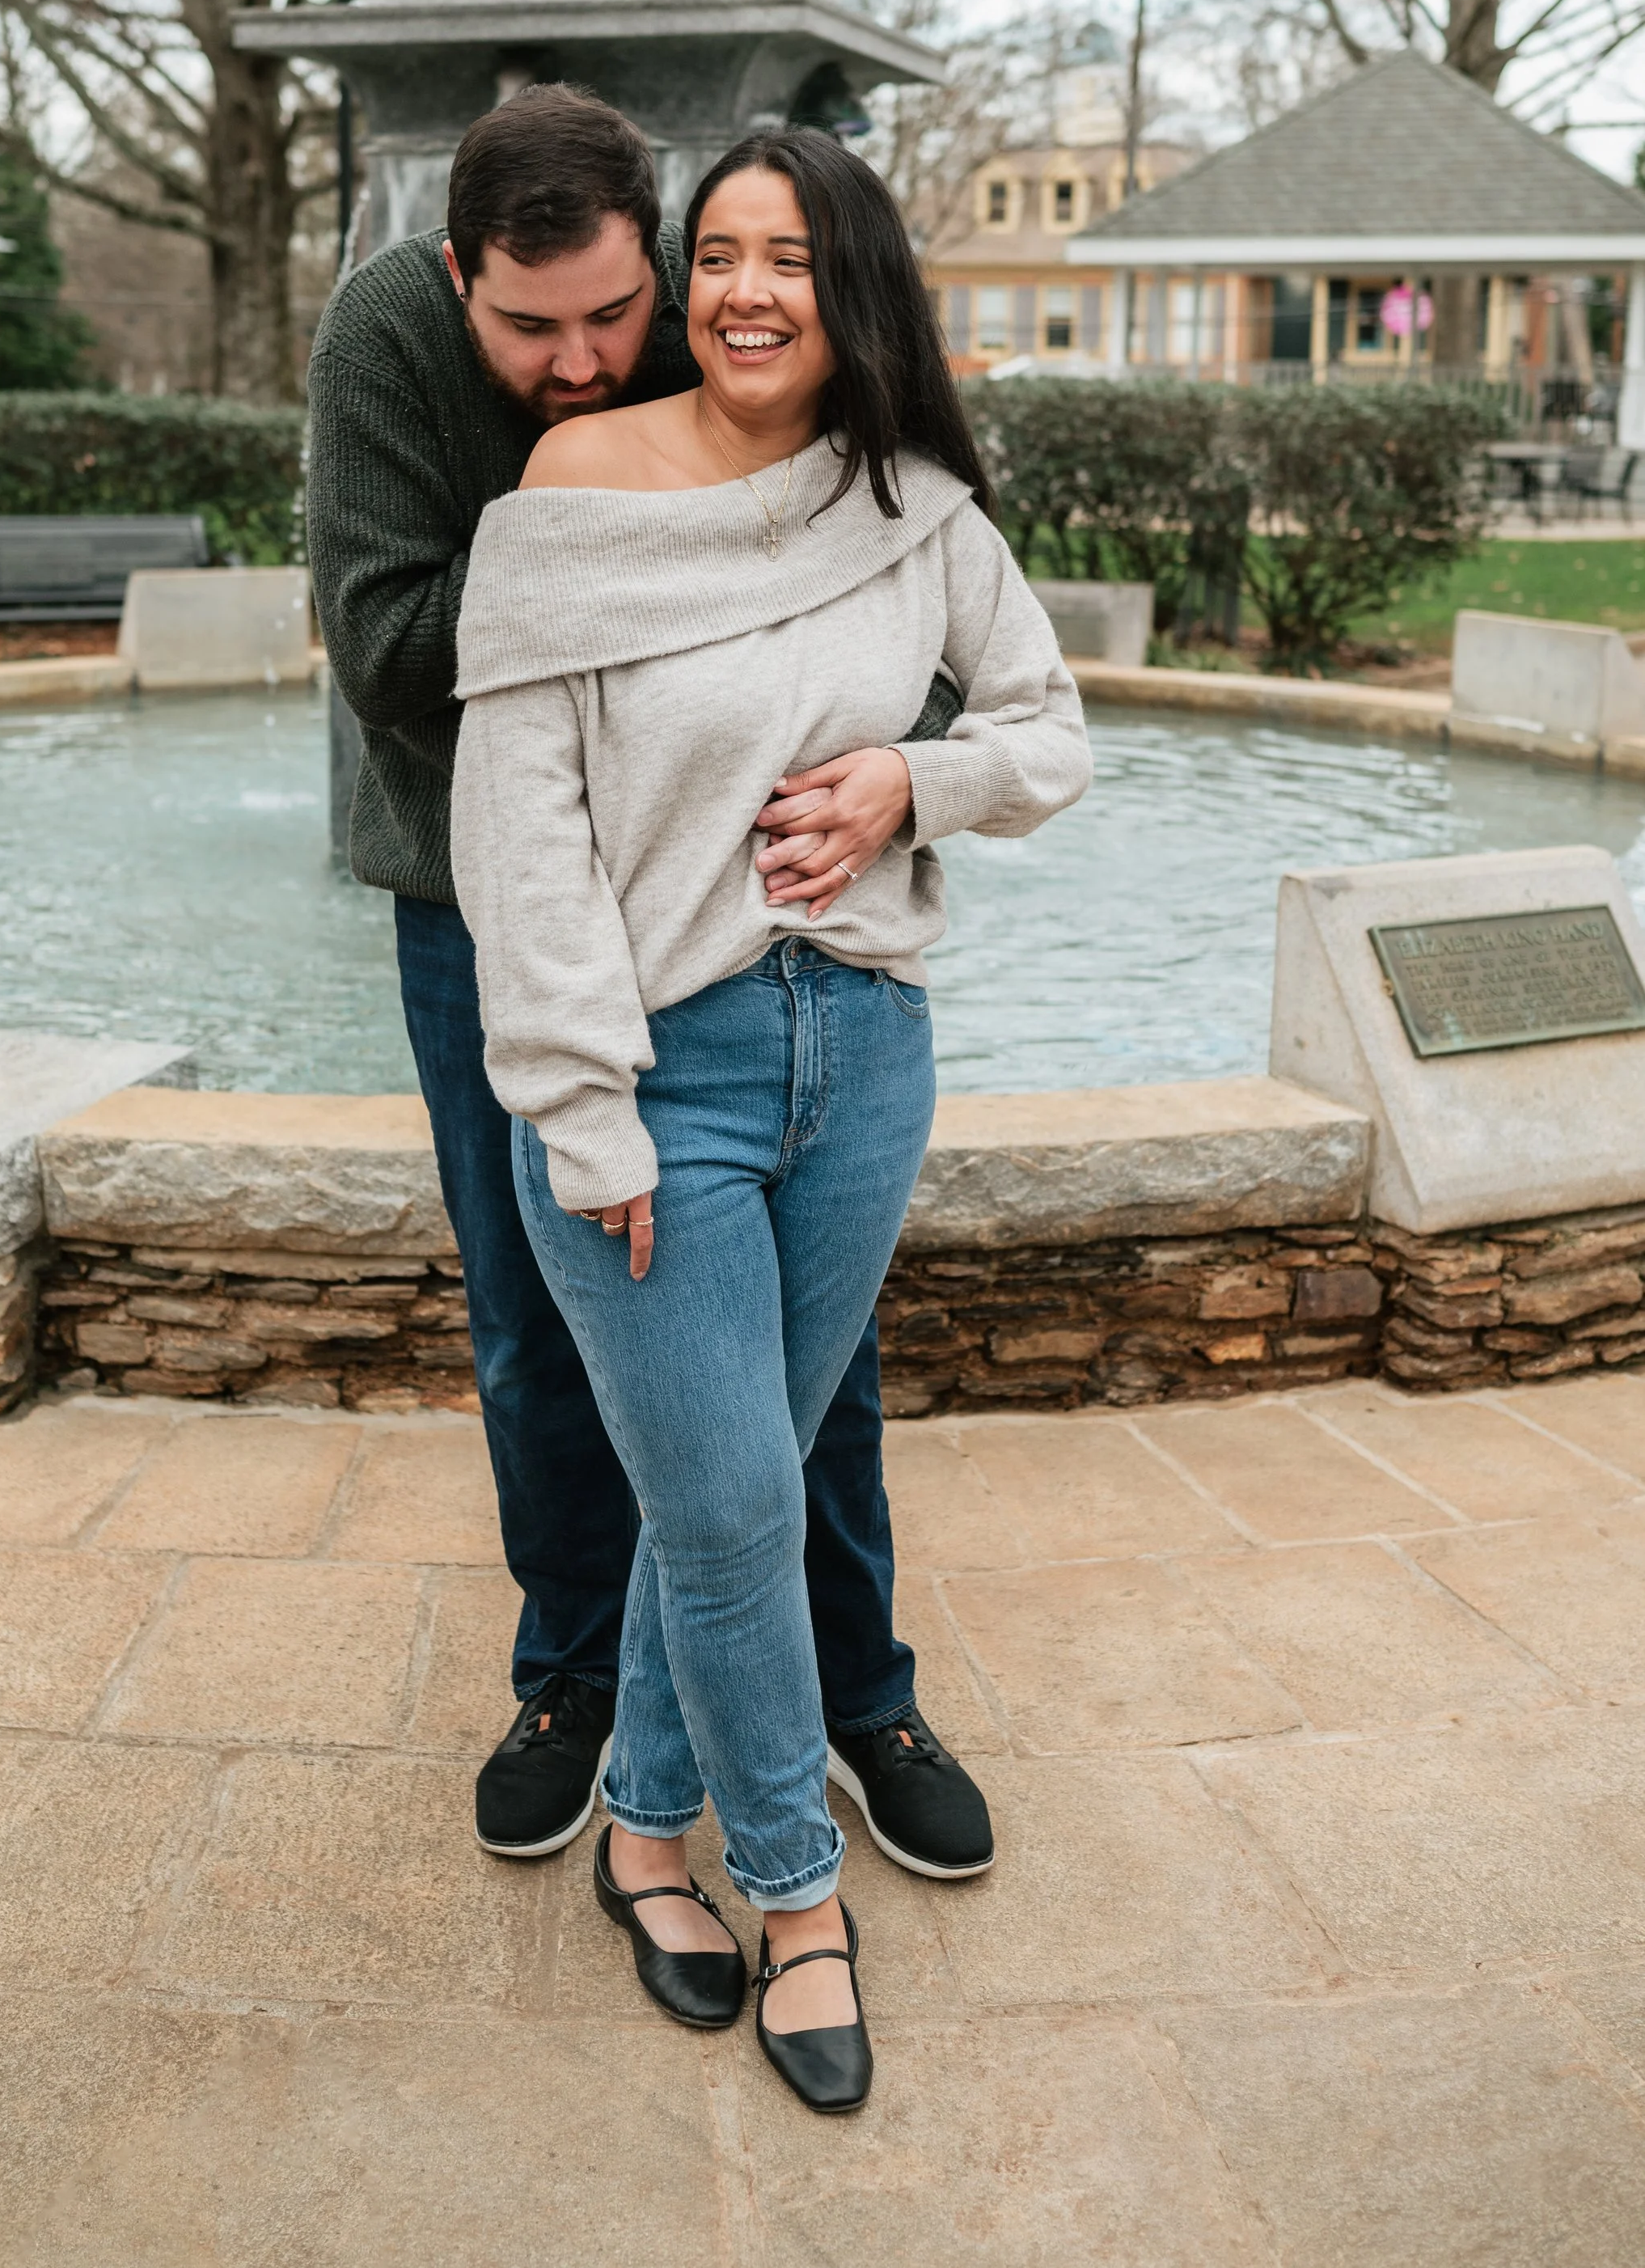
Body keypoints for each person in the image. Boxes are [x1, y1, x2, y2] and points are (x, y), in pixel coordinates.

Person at [449, 126, 1089, 2111]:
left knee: (721, 1492)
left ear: (850, 287)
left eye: (785, 257)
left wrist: (914, 782)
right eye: (714, 253)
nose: (741, 290)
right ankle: (795, 1896)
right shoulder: (572, 487)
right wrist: (580, 1110)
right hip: (660, 1078)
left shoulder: (912, 513)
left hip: (864, 1059)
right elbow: (520, 830)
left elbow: (1047, 733)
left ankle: (645, 1834)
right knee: (729, 1510)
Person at [307, 84, 997, 1880]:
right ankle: (574, 1683)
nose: (587, 359)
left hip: (747, 912)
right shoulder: (388, 337)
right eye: (527, 327)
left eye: (618, 313)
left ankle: (856, 1687)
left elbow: (885, 603)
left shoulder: (730, 321)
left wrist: (883, 772)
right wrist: (597, 562)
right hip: (479, 895)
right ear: (453, 274)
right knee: (543, 1323)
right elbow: (389, 651)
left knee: (800, 1350)